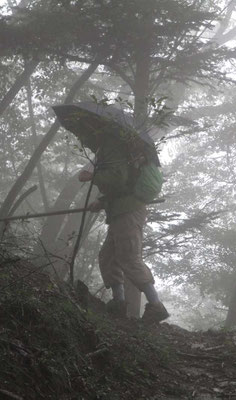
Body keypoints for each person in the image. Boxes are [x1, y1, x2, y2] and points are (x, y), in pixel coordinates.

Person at [77, 130, 169, 324]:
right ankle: (119, 302)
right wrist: (102, 202)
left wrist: (92, 176)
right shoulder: (111, 150)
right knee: (108, 257)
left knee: (129, 256)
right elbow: (121, 187)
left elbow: (118, 180)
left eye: (84, 135)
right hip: (120, 211)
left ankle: (156, 306)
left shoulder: (114, 149)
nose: (82, 139)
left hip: (128, 212)